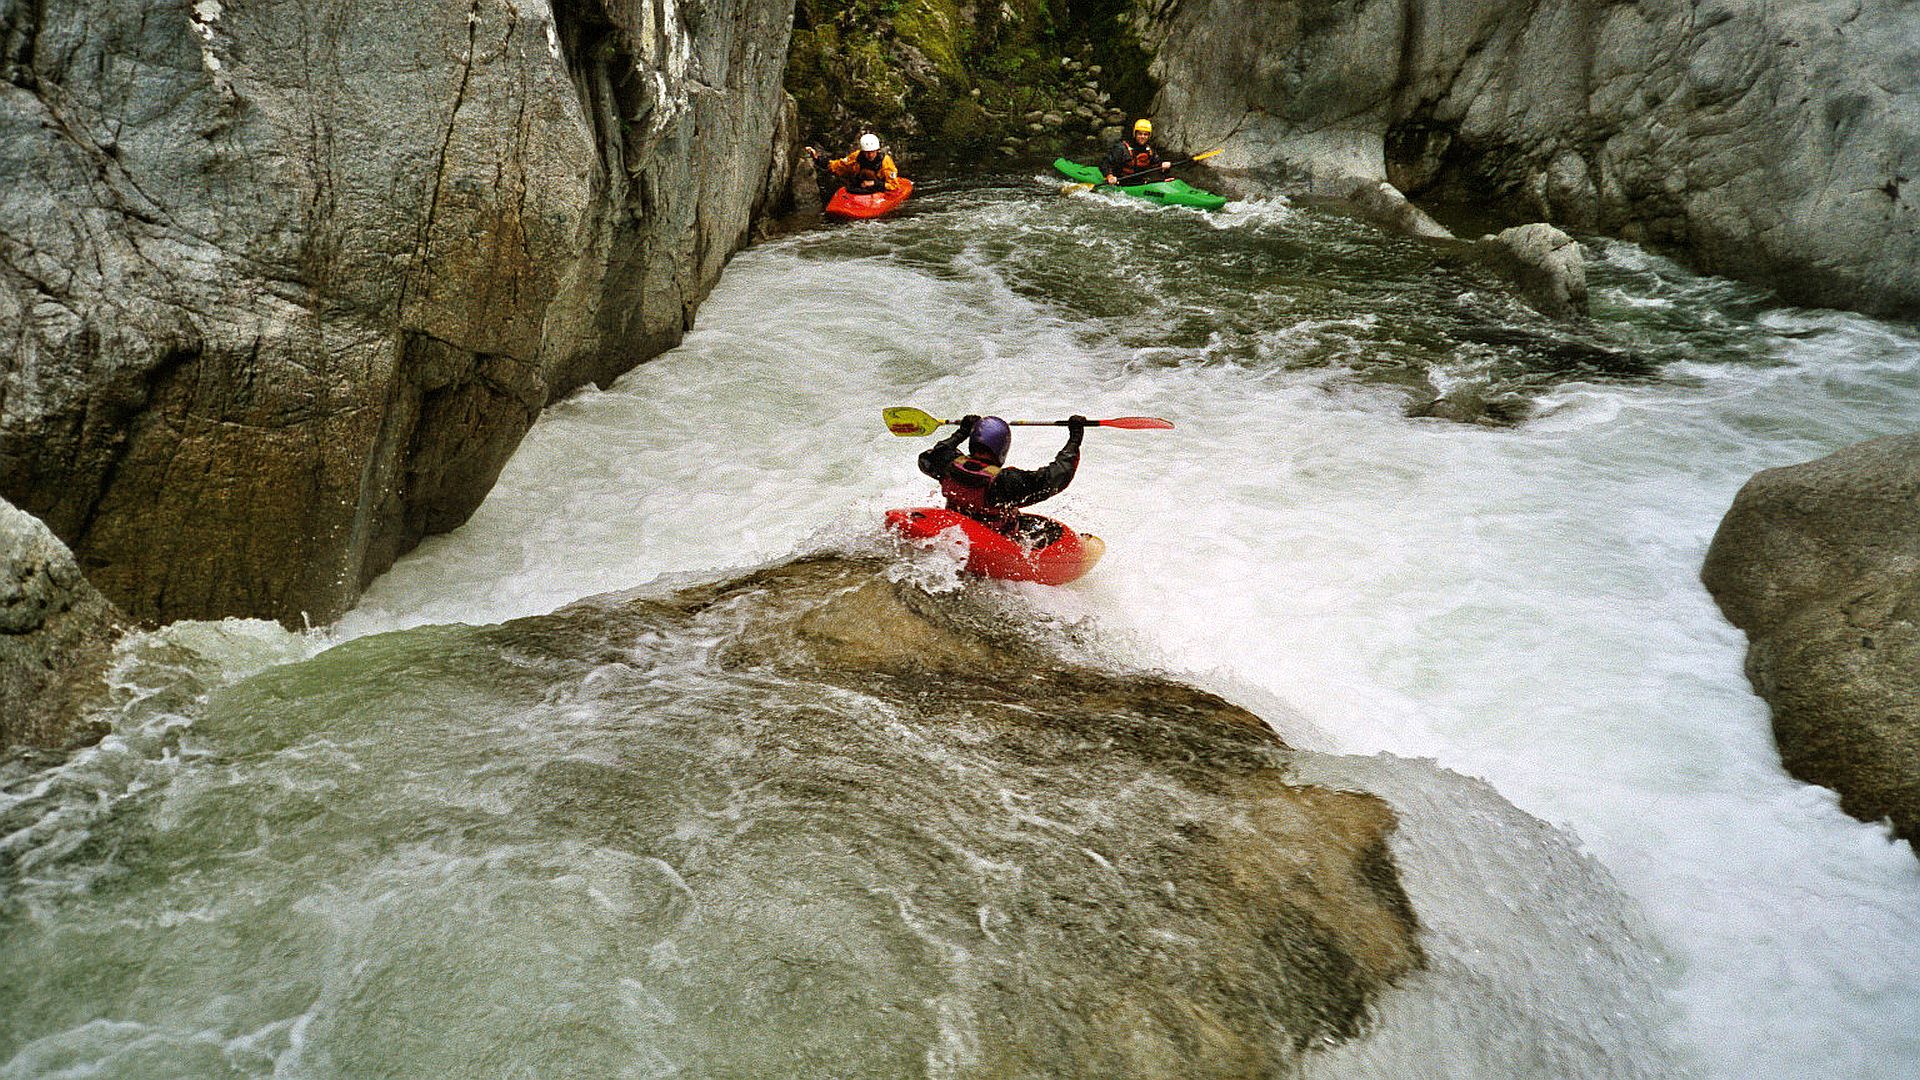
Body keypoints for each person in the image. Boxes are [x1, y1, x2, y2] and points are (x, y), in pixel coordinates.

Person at [918, 414, 1086, 545]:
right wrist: (1074, 439)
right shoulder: (1005, 481)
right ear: (1002, 448)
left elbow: (931, 456)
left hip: (956, 526)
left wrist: (962, 432)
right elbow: (1057, 475)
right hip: (994, 539)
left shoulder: (947, 464)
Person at [808, 133, 902, 194]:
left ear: (877, 150)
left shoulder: (886, 161)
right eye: (867, 152)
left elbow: (893, 185)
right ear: (863, 151)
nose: (870, 155)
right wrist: (817, 158)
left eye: (873, 152)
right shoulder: (856, 157)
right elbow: (837, 166)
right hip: (859, 188)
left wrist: (873, 183)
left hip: (878, 188)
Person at [1103, 118, 1171, 186]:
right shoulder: (1122, 148)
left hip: (1139, 182)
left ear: (1149, 136)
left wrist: (1164, 168)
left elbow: (1157, 166)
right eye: (1140, 134)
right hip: (1120, 181)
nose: (1142, 137)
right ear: (1135, 134)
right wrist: (1110, 176)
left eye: (1145, 134)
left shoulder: (1150, 151)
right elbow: (1105, 163)